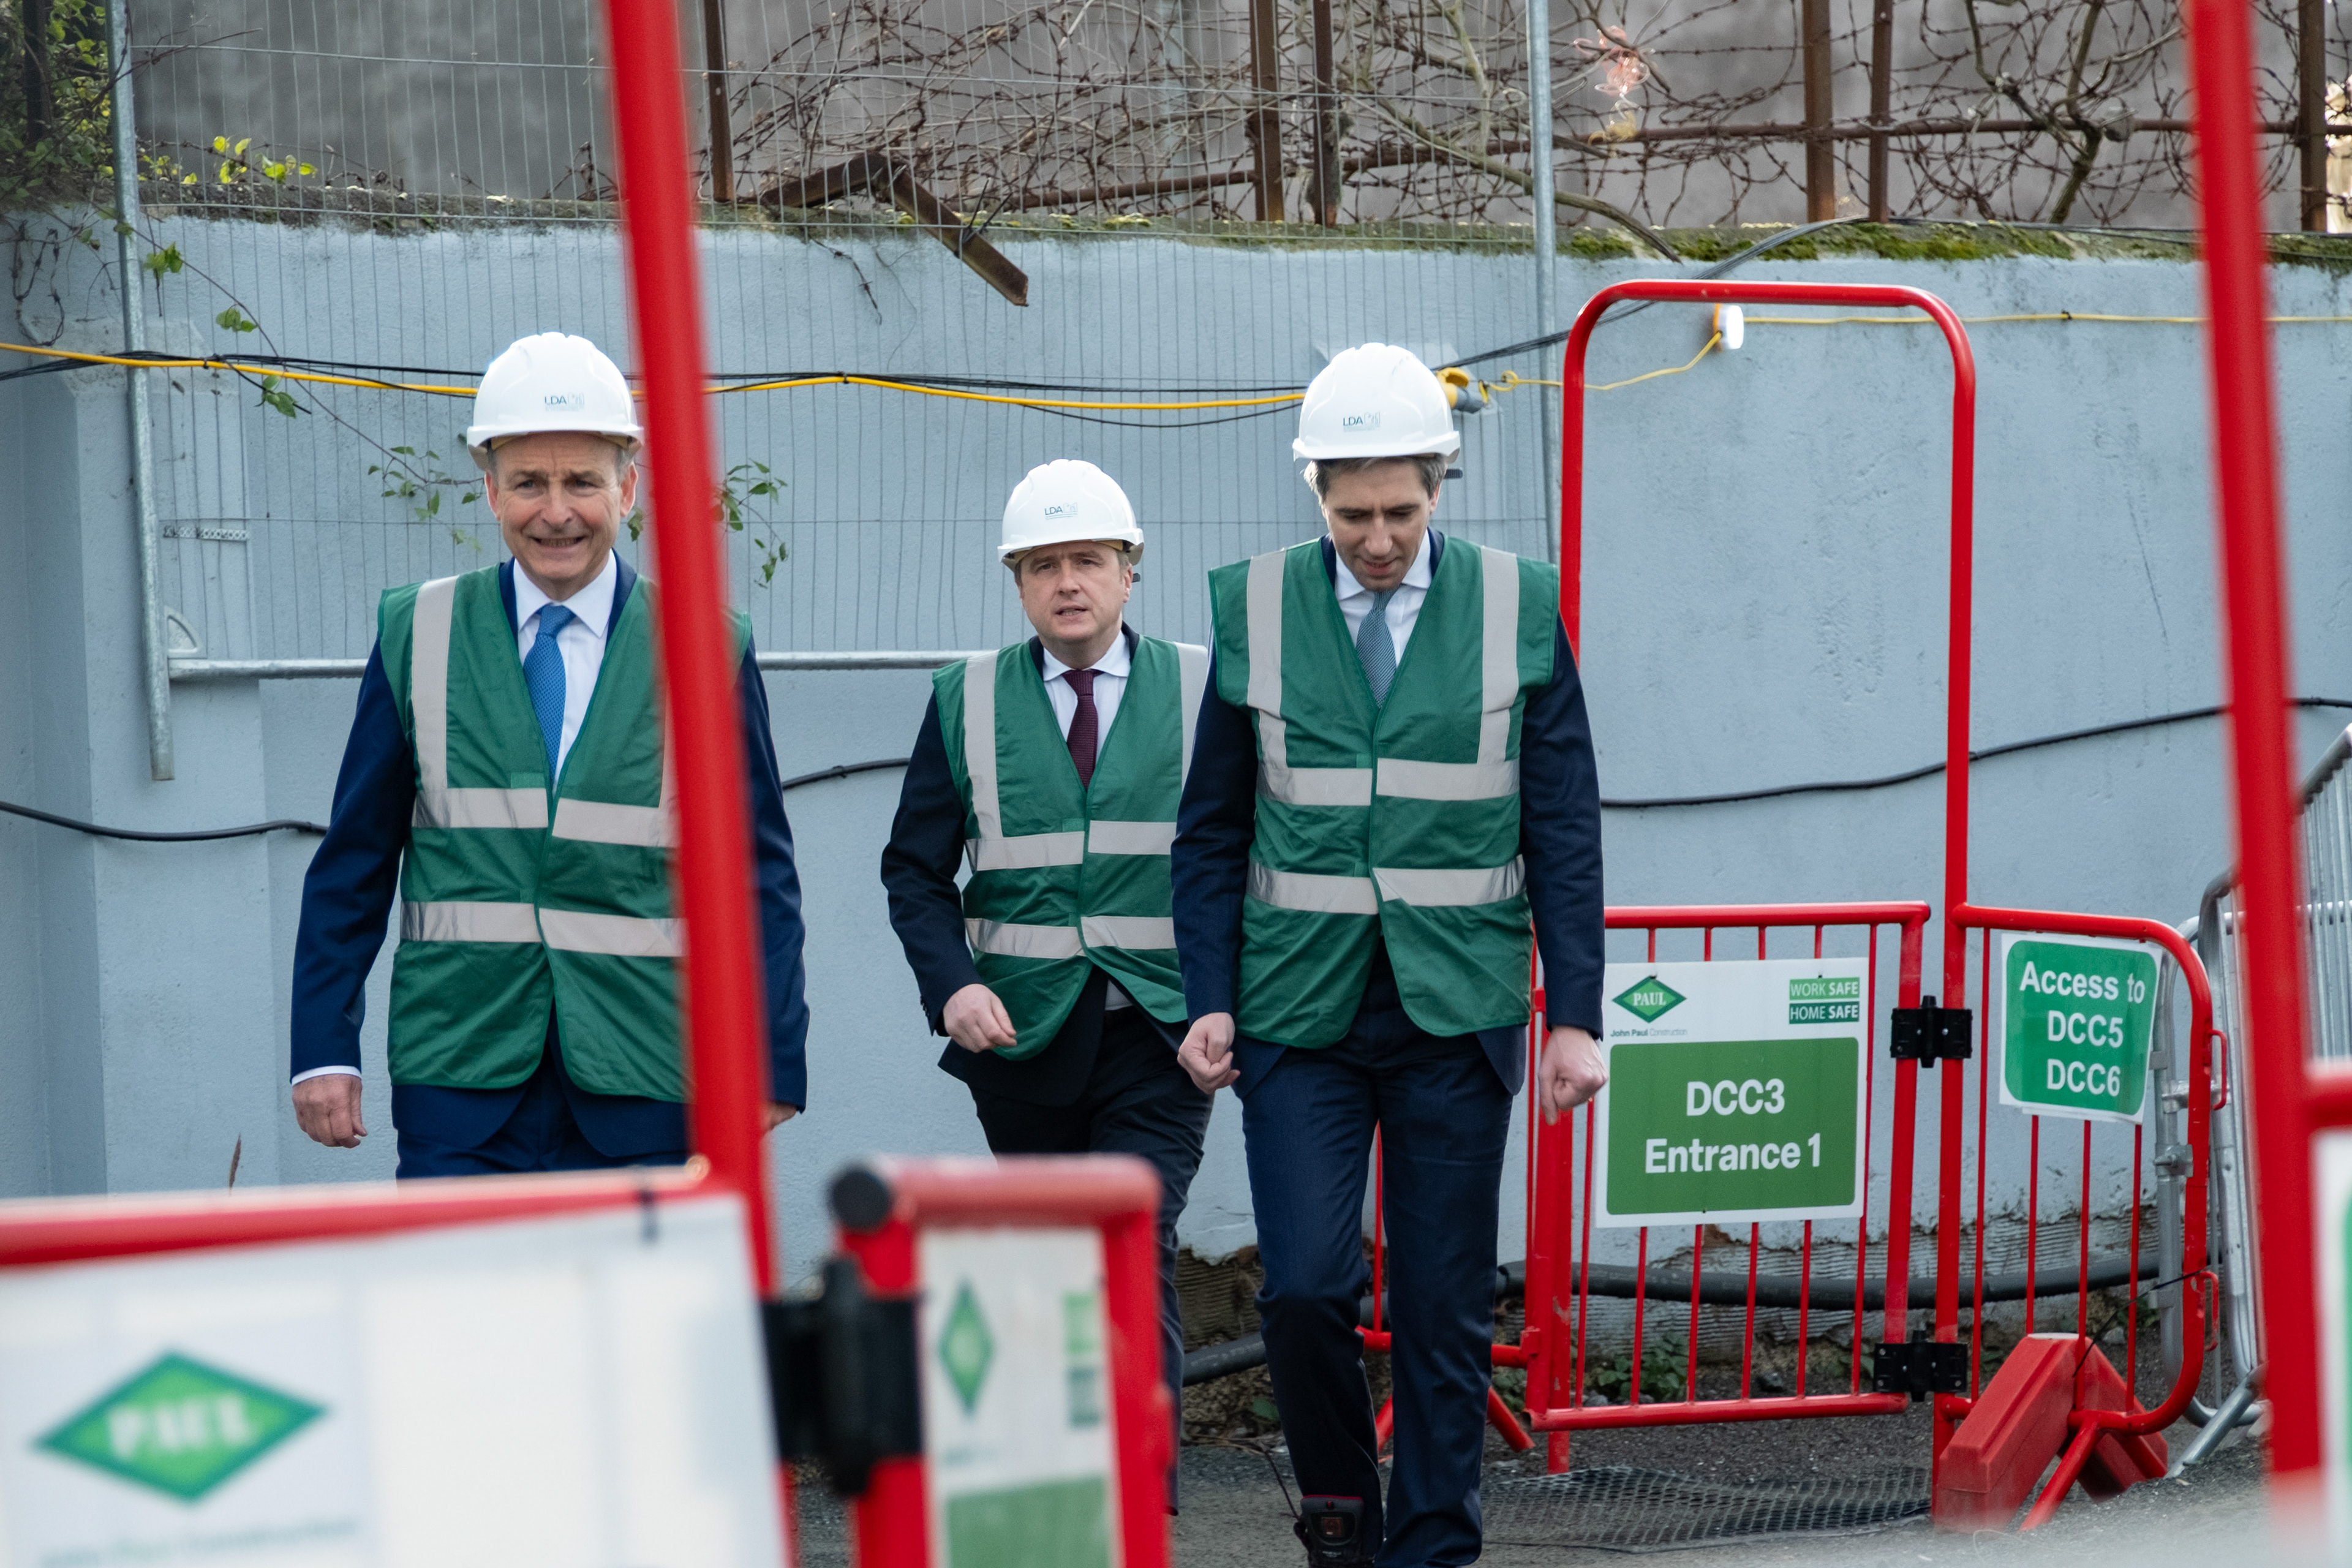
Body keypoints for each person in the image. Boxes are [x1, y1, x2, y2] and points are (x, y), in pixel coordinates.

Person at [1170, 344, 1608, 1566]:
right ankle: (1341, 1521)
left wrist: (1574, 1011)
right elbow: (1209, 830)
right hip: (1296, 1012)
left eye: (1401, 511)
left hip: (1456, 1006)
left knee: (1441, 1306)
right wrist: (1209, 999)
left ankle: (1431, 1548)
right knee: (1305, 1286)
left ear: (1442, 482)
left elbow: (1562, 820)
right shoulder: (1253, 609)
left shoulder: (1521, 605)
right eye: (1352, 512)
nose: (1377, 538)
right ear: (1316, 492)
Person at [289, 332, 809, 1175]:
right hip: (460, 1077)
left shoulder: (707, 647)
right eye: (529, 483)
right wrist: (323, 1047)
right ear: (490, 491)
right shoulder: (416, 632)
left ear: (627, 488)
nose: (556, 511)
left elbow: (759, 872)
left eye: (582, 483)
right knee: (460, 1312)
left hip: (646, 1076)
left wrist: (771, 1054)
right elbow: (353, 863)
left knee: (640, 1314)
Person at [880, 459, 1213, 1501]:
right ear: (1019, 584)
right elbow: (913, 869)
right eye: (1044, 566)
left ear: (1130, 572)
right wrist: (950, 986)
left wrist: (1228, 1002)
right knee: (1042, 1262)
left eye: (1088, 561)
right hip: (1019, 1041)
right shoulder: (965, 698)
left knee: (1130, 1242)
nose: (1068, 582)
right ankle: (1054, 1487)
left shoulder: (1208, 688)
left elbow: (1250, 853)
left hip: (1162, 1035)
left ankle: (1139, 1492)